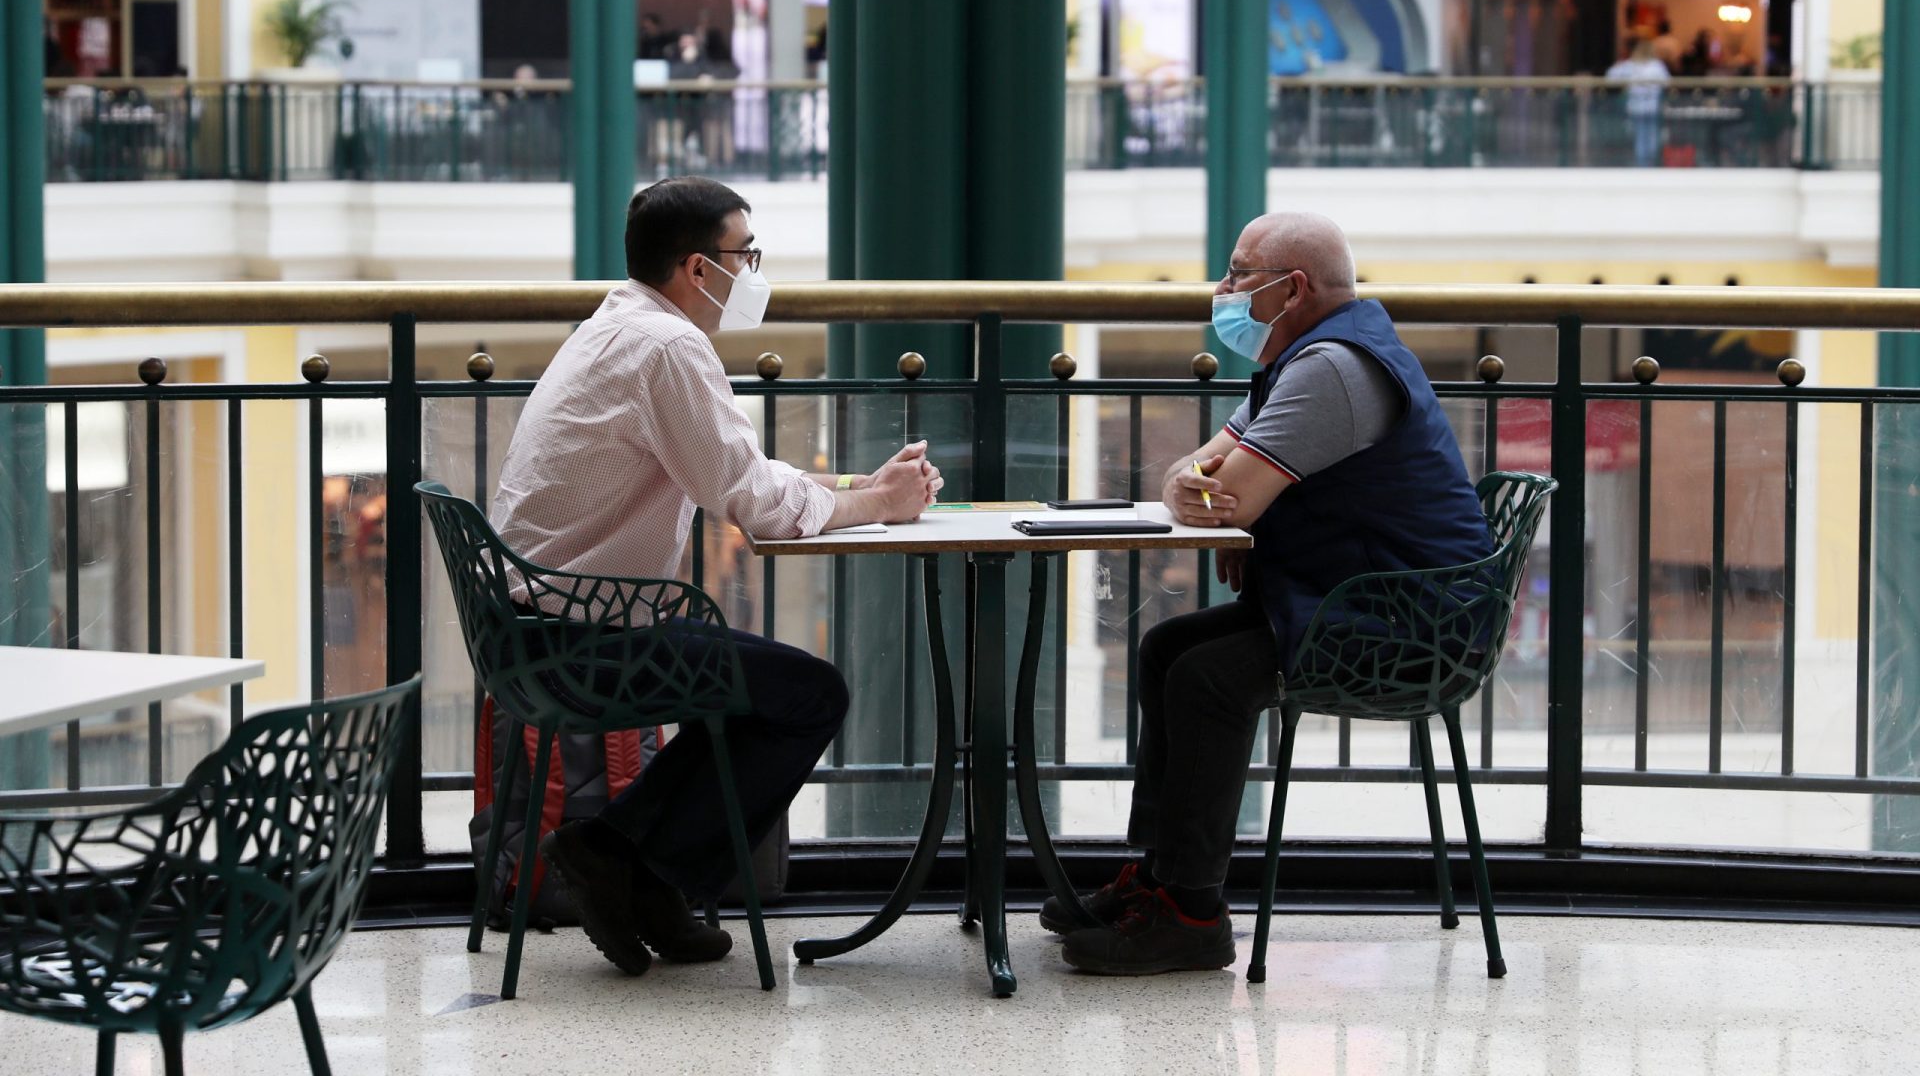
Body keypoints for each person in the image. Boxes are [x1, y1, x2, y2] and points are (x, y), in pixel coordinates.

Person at [491, 176, 944, 978]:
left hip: (538, 630)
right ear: (699, 269)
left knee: (756, 691)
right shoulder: (667, 348)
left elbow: (735, 469)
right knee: (809, 694)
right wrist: (882, 501)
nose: (756, 271)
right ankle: (626, 861)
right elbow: (754, 504)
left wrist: (855, 493)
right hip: (585, 636)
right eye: (748, 253)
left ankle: (629, 865)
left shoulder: (619, 326)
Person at [1053, 212, 1491, 976]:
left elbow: (1231, 499)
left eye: (1237, 274)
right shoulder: (1307, 357)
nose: (1223, 291)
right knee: (1168, 647)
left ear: (1292, 288)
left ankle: (1192, 914)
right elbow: (1190, 477)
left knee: (1207, 679)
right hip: (1357, 601)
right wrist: (1206, 489)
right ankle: (1160, 879)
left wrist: (1220, 495)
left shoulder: (1333, 371)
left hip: (1416, 626)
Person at [1607, 33, 1671, 168]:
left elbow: (1611, 76)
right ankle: (1646, 165)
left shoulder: (1633, 65)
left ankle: (1644, 165)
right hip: (1648, 107)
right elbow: (1666, 82)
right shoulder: (1655, 65)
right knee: (1649, 137)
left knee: (1642, 137)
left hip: (1641, 107)